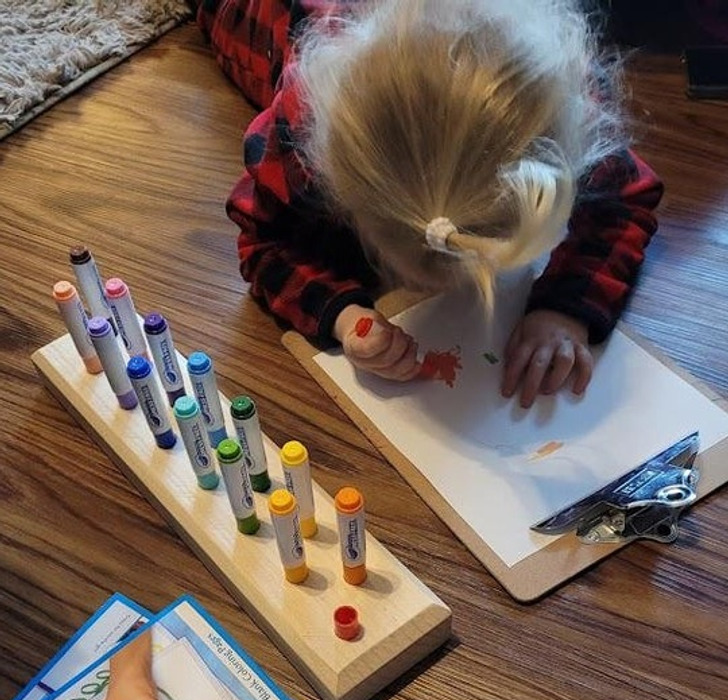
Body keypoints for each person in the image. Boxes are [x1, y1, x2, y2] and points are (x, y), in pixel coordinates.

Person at [197, 0, 664, 407]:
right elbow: (262, 242)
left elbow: (625, 201)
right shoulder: (302, 125)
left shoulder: (556, 95)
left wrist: (567, 306)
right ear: (337, 193)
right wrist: (342, 316)